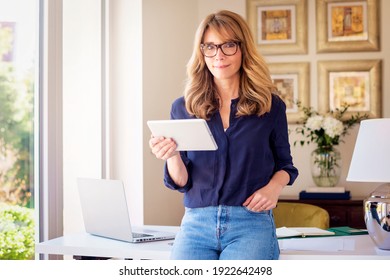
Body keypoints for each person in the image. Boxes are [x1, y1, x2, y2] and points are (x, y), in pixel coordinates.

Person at [149, 10, 298, 260]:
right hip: (196, 224)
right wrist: (171, 155)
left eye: (228, 45)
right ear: (202, 51)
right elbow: (182, 181)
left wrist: (273, 188)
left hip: (250, 224)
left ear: (243, 48)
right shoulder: (183, 107)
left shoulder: (269, 105)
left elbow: (286, 166)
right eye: (210, 46)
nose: (218, 55)